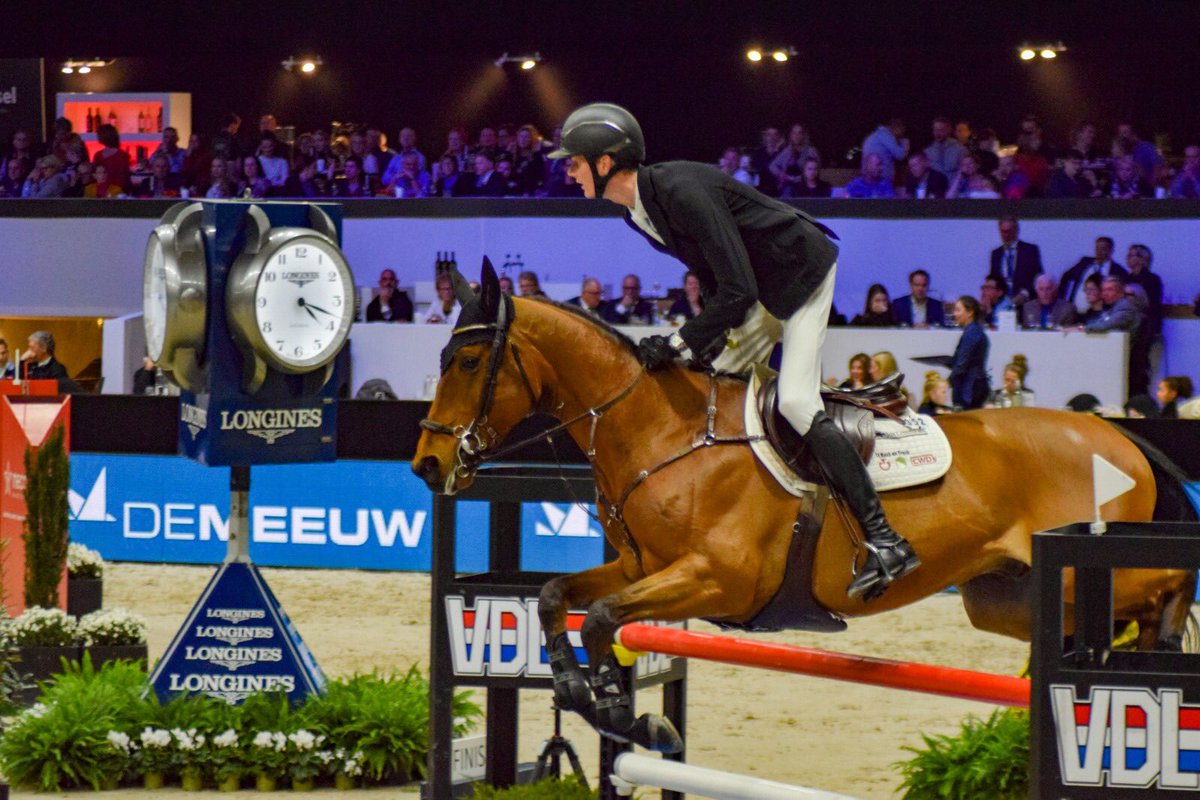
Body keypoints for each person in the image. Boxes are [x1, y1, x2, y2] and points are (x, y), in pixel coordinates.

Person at [549, 101, 918, 600]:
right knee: (709, 386)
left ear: (605, 162)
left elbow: (738, 289)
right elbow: (716, 275)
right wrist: (696, 345)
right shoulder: (637, 214)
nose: (568, 172)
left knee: (795, 403)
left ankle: (886, 539)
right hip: (755, 289)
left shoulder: (681, 192)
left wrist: (681, 339)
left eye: (572, 162)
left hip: (798, 275)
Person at [1059, 236, 1128, 314]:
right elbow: (1066, 276)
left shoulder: (1119, 272)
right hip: (1075, 311)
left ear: (1110, 251)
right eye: (1097, 248)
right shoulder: (1084, 262)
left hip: (1100, 314)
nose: (1099, 252)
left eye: (1103, 249)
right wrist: (1063, 300)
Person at [988, 216, 1043, 303]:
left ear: (1017, 230)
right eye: (1003, 232)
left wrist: (1025, 294)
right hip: (1002, 302)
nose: (1006, 235)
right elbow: (993, 278)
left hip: (1025, 302)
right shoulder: (995, 253)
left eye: (1009, 231)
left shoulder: (1030, 250)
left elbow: (1038, 277)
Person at [948, 296, 989, 410]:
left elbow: (962, 363)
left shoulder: (972, 333)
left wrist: (949, 381)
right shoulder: (975, 331)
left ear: (970, 312)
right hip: (973, 386)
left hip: (970, 389)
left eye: (958, 310)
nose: (955, 314)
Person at [770, 124, 820, 198]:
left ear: (803, 135)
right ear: (791, 135)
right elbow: (772, 166)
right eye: (794, 133)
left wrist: (793, 179)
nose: (796, 136)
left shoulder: (810, 151)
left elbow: (814, 172)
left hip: (804, 185)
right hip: (787, 185)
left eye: (799, 133)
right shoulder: (787, 151)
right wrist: (780, 174)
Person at [860, 117, 909, 183]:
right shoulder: (886, 135)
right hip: (880, 179)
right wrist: (905, 143)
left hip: (870, 178)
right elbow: (900, 155)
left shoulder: (875, 135)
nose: (901, 134)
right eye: (902, 131)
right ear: (898, 128)